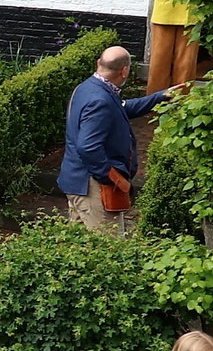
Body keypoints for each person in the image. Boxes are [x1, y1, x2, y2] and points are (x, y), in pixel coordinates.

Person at [55, 45, 178, 235]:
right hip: (92, 188)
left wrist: (159, 97)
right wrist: (111, 178)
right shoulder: (100, 100)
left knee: (81, 246)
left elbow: (121, 107)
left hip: (76, 180)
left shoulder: (86, 88)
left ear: (99, 63)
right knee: (109, 247)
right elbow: (88, 147)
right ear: (124, 70)